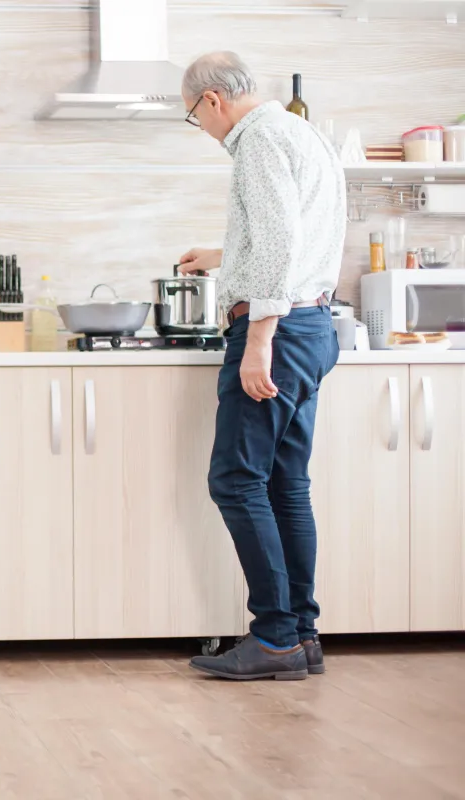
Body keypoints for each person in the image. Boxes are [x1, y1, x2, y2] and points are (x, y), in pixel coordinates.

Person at [178, 53, 345, 681]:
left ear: (215, 99)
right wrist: (225, 252)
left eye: (196, 117)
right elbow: (297, 234)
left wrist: (258, 342)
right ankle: (301, 634)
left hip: (278, 330)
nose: (204, 128)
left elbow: (279, 243)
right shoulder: (302, 133)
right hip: (312, 325)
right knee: (284, 485)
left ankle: (274, 636)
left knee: (236, 482)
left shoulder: (257, 140)